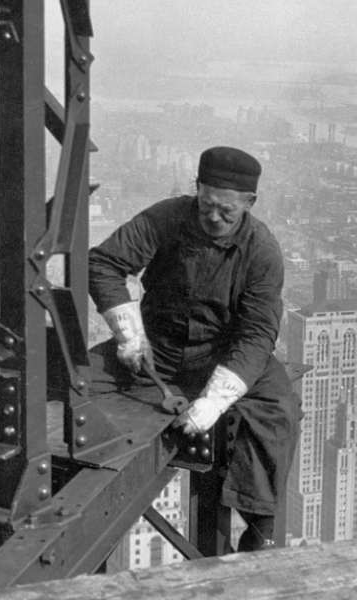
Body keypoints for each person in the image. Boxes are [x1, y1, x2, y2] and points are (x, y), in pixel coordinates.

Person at [88, 146, 301, 553]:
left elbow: (257, 335)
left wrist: (214, 402)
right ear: (196, 189)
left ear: (249, 204)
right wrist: (129, 334)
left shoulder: (262, 251)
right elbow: (104, 264)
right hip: (157, 349)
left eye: (226, 211)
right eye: (206, 205)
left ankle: (260, 526)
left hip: (222, 357)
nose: (214, 217)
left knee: (278, 409)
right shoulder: (165, 218)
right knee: (77, 377)